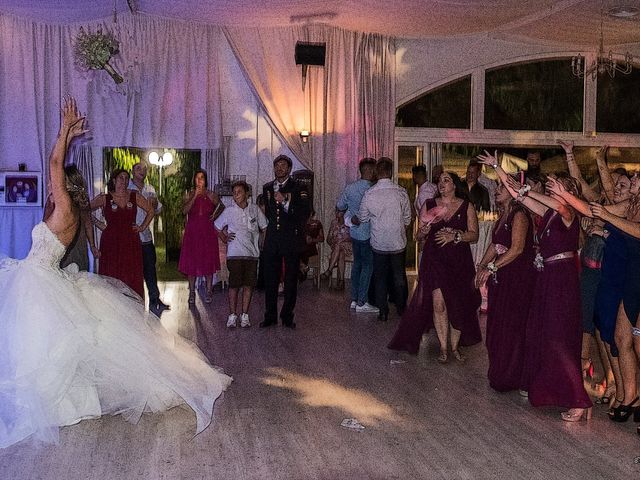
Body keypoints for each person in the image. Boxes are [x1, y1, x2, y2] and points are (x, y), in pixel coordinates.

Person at [0, 97, 231, 449]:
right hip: (43, 278)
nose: (51, 184)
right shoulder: (75, 212)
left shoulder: (63, 209)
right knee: (48, 347)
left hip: (40, 280)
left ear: (64, 188)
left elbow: (54, 162)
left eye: (56, 183)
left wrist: (64, 132)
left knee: (44, 347)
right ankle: (68, 400)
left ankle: (54, 399)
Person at [478, 150, 592, 422]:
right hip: (546, 277)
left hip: (562, 280)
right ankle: (553, 389)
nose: (552, 189)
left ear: (568, 193)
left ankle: (579, 399)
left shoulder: (566, 213)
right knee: (544, 335)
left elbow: (546, 200)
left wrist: (556, 193)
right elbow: (518, 194)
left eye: (557, 186)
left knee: (560, 338)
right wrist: (497, 167)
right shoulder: (550, 213)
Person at [388, 171, 481, 360]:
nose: (441, 183)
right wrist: (423, 231)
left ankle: (455, 347)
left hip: (459, 262)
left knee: (457, 304)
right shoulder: (429, 205)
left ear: (455, 185)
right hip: (435, 259)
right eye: (439, 180)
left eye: (446, 180)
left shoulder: (466, 206)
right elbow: (418, 237)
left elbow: (474, 235)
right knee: (438, 304)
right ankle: (444, 348)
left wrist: (455, 236)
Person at [475, 178, 536, 391]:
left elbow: (517, 249)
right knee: (497, 326)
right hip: (502, 276)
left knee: (513, 327)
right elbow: (496, 243)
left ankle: (515, 376)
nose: (496, 191)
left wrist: (491, 268)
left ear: (512, 191)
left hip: (516, 277)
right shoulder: (503, 214)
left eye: (501, 187)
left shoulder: (520, 215)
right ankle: (501, 372)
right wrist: (482, 264)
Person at [355, 157, 412, 321]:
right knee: (399, 276)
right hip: (397, 242)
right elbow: (407, 217)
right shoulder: (401, 192)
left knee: (379, 278)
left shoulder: (369, 194)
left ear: (376, 172)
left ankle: (383, 311)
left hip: (378, 241)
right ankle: (401, 309)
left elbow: (363, 217)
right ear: (391, 172)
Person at [260, 155, 310, 329]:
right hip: (273, 240)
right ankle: (270, 315)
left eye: (283, 166)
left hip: (291, 239)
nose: (279, 168)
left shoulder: (299, 187)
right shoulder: (267, 188)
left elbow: (304, 213)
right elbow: (269, 215)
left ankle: (287, 315)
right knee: (270, 280)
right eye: (277, 166)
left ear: (289, 169)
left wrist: (286, 201)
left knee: (290, 280)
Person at [91, 169, 154, 297]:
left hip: (130, 240)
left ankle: (133, 307)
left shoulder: (134, 196)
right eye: (121, 178)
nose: (124, 181)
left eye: (126, 178)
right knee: (111, 274)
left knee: (131, 274)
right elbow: (85, 209)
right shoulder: (105, 198)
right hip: (110, 241)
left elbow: (151, 211)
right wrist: (99, 224)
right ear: (114, 180)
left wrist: (142, 227)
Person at [215, 181, 267, 328]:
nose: (236, 194)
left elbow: (264, 226)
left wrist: (262, 243)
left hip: (251, 254)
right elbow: (217, 226)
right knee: (234, 285)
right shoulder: (229, 211)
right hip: (235, 254)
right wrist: (224, 237)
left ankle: (245, 315)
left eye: (239, 191)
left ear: (247, 194)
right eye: (234, 192)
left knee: (248, 285)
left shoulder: (255, 210)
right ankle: (232, 315)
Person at [336, 157, 378, 313]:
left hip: (354, 232)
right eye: (374, 170)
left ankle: (354, 299)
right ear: (369, 170)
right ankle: (362, 301)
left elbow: (340, 205)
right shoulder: (373, 189)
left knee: (357, 265)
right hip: (369, 233)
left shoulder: (350, 188)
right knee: (367, 266)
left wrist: (348, 215)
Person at [129, 161, 170, 316]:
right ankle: (134, 301)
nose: (142, 171)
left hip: (146, 236)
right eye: (138, 168)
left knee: (150, 270)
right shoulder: (127, 189)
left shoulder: (150, 188)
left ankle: (155, 299)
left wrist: (154, 203)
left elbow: (158, 208)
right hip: (131, 237)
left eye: (144, 169)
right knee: (133, 270)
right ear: (133, 172)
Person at [178, 169, 224, 305]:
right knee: (191, 263)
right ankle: (191, 292)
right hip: (192, 233)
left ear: (206, 180)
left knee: (208, 262)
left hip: (207, 232)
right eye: (197, 178)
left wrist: (215, 216)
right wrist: (194, 196)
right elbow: (184, 211)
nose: (199, 180)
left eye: (202, 178)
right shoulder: (189, 194)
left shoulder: (211, 194)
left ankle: (209, 291)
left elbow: (221, 206)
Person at [43, 165, 99, 271]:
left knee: (78, 276)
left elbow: (88, 223)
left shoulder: (82, 199)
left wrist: (92, 245)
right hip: (61, 244)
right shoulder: (53, 199)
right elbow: (46, 226)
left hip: (78, 244)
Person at [321, 208, 351, 290]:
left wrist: (344, 239)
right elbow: (328, 240)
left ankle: (329, 271)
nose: (336, 213)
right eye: (336, 211)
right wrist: (331, 239)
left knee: (339, 247)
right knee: (340, 251)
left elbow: (353, 237)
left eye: (339, 211)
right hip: (336, 247)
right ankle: (341, 281)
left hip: (348, 247)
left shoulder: (348, 222)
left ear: (344, 212)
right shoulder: (334, 222)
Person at [300, 209, 325, 282]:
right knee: (297, 249)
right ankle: (303, 266)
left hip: (311, 247)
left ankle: (302, 266)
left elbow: (322, 238)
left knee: (302, 250)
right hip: (300, 246)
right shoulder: (300, 223)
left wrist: (312, 240)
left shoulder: (317, 223)